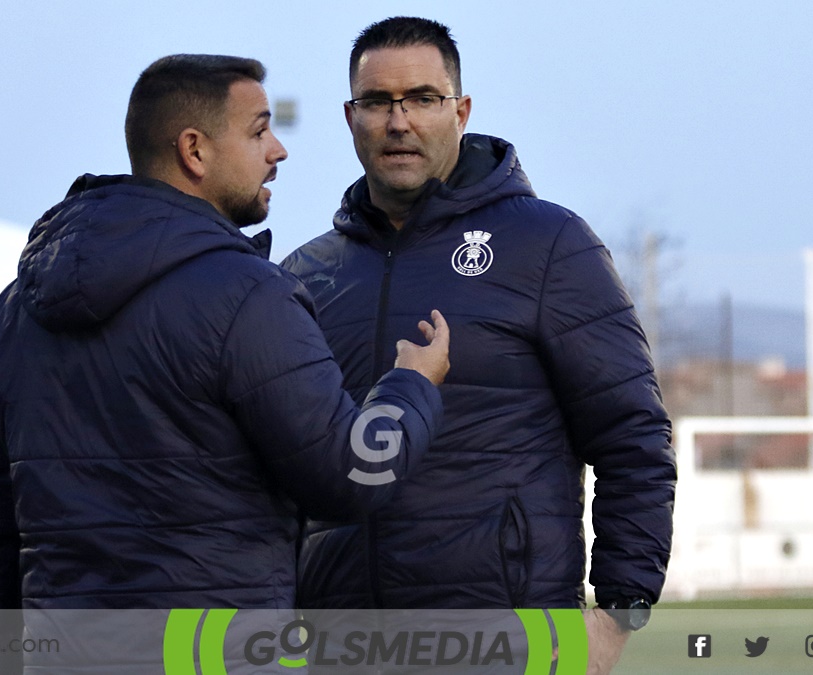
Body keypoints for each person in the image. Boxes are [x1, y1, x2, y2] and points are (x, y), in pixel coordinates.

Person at [0, 53, 449, 671]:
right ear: (194, 151)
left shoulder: (15, 310)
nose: (278, 150)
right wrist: (411, 385)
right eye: (258, 131)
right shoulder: (247, 295)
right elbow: (351, 475)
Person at [281, 17, 676, 673]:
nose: (398, 121)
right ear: (350, 117)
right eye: (378, 102)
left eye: (422, 99)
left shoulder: (548, 246)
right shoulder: (306, 275)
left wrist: (616, 615)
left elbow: (633, 436)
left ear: (460, 110)